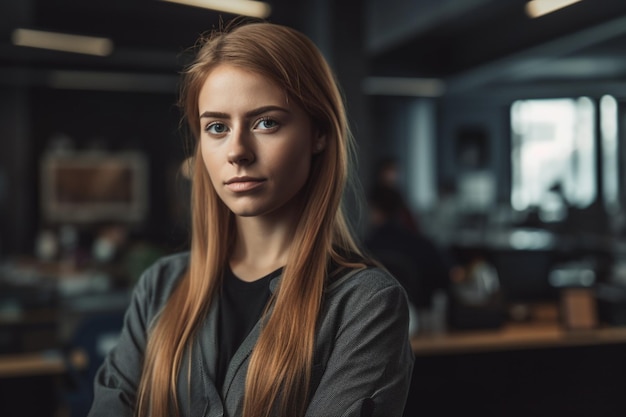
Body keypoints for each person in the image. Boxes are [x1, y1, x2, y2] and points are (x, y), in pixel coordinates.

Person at [87, 19, 414, 417]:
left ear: (319, 134)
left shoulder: (364, 304)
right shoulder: (160, 288)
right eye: (218, 127)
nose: (237, 151)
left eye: (266, 122)